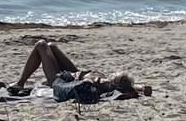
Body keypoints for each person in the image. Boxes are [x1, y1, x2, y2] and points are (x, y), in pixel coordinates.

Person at [9, 39, 150, 102]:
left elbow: (120, 88)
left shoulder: (104, 83)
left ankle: (20, 83)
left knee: (41, 45)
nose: (112, 74)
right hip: (74, 72)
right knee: (51, 46)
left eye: (114, 75)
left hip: (62, 79)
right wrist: (140, 88)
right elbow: (137, 88)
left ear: (114, 81)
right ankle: (21, 82)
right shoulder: (113, 82)